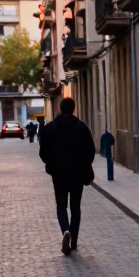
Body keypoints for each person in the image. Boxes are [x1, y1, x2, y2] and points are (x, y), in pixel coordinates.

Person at [39, 98, 95, 256]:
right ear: (73, 109)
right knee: (75, 207)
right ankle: (74, 240)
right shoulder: (82, 128)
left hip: (59, 175)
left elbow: (43, 153)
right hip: (77, 174)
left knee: (61, 206)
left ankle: (65, 230)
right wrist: (84, 165)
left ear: (60, 108)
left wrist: (51, 166)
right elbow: (90, 150)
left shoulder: (49, 129)